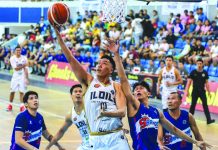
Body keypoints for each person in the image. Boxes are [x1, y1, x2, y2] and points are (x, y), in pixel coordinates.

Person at [103, 38, 211, 150]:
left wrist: (195, 142)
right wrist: (116, 55)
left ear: (148, 93)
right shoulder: (134, 106)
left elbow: (174, 130)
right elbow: (124, 80)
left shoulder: (156, 112)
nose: (138, 90)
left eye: (141, 88)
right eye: (136, 90)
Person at [53, 25, 129, 149]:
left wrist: (107, 113)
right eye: (98, 63)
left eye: (104, 63)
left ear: (111, 70)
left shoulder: (116, 86)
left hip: (115, 137)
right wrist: (58, 35)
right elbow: (71, 59)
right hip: (95, 138)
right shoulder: (89, 82)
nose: (99, 65)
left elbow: (122, 112)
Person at [46, 84, 90, 150]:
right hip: (86, 145)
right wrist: (48, 147)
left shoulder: (90, 108)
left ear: (83, 94)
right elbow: (61, 131)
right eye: (75, 91)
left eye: (80, 91)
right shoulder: (70, 115)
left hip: (98, 142)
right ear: (71, 95)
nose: (78, 93)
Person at [185, 58, 215, 124]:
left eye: (200, 63)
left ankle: (208, 120)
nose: (199, 65)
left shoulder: (205, 72)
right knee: (193, 105)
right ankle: (189, 119)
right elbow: (189, 82)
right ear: (196, 64)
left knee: (205, 105)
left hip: (202, 91)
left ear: (202, 64)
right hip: (195, 91)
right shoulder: (193, 72)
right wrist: (187, 91)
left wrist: (209, 92)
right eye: (198, 63)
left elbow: (207, 83)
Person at [7, 46, 29, 112]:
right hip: (15, 77)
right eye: (17, 50)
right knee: (12, 91)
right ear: (15, 51)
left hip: (22, 77)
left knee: (22, 91)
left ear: (21, 51)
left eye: (19, 50)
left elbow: (26, 68)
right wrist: (24, 65)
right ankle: (10, 104)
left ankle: (22, 106)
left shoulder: (24, 58)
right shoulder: (12, 58)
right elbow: (16, 68)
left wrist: (27, 78)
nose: (18, 51)